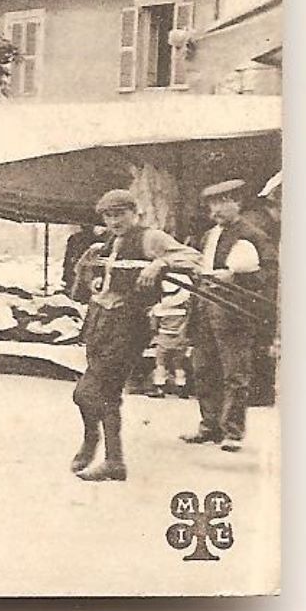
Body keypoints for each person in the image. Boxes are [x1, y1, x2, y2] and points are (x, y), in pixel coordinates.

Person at [67, 188, 202, 480]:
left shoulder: (150, 237)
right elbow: (82, 289)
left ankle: (93, 442)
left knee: (86, 393)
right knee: (108, 394)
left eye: (120, 214)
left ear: (135, 213)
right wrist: (86, 269)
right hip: (98, 325)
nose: (114, 221)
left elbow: (193, 258)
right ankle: (113, 461)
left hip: (128, 326)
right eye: (108, 215)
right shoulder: (105, 244)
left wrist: (161, 262)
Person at [182, 179, 274, 453]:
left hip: (232, 311)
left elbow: (269, 273)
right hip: (204, 307)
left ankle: (233, 431)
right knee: (202, 368)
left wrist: (237, 276)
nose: (216, 210)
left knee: (235, 372)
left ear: (238, 202)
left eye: (223, 203)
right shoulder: (208, 236)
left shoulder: (254, 235)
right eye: (212, 204)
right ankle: (209, 425)